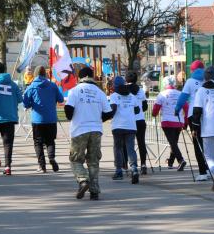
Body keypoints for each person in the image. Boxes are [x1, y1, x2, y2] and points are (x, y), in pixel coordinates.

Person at [64, 67, 112, 200]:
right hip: (96, 130)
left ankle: (83, 180)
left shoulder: (75, 91)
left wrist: (74, 117)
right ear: (91, 76)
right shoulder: (100, 92)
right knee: (93, 161)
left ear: (80, 77)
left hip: (79, 129)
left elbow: (68, 110)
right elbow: (108, 113)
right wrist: (98, 118)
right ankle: (94, 191)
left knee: (76, 159)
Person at [23, 66, 64, 173]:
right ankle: (51, 158)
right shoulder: (52, 85)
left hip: (38, 119)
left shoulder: (31, 87)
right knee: (50, 141)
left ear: (35, 74)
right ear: (45, 75)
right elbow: (60, 99)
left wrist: (32, 103)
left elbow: (25, 103)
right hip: (51, 118)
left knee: (38, 143)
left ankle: (42, 166)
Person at [0, 62, 22, 175]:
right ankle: (8, 167)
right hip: (10, 117)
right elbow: (20, 99)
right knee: (8, 143)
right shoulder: (13, 84)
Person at [175, 60, 208, 179]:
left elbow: (183, 97)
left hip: (193, 114)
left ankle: (202, 172)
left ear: (192, 70)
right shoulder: (207, 80)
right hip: (207, 114)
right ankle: (209, 169)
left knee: (197, 143)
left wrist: (177, 109)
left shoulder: (190, 81)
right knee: (206, 142)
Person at [152, 76, 190, 175]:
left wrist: (154, 114)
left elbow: (156, 108)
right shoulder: (180, 94)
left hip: (167, 121)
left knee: (172, 142)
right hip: (178, 122)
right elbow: (186, 108)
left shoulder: (162, 94)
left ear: (165, 84)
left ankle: (181, 160)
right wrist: (186, 122)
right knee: (174, 142)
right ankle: (171, 162)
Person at [109, 76, 141, 184]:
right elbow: (137, 110)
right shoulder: (131, 96)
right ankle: (134, 169)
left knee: (118, 148)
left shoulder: (114, 96)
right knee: (130, 148)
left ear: (115, 85)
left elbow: (113, 109)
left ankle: (119, 171)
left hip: (118, 126)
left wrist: (107, 116)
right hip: (131, 126)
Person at [124, 71, 148, 174]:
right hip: (140, 120)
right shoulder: (141, 91)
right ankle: (143, 164)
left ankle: (125, 165)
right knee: (141, 142)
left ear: (126, 79)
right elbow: (145, 106)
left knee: (127, 144)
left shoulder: (124, 90)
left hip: (129, 121)